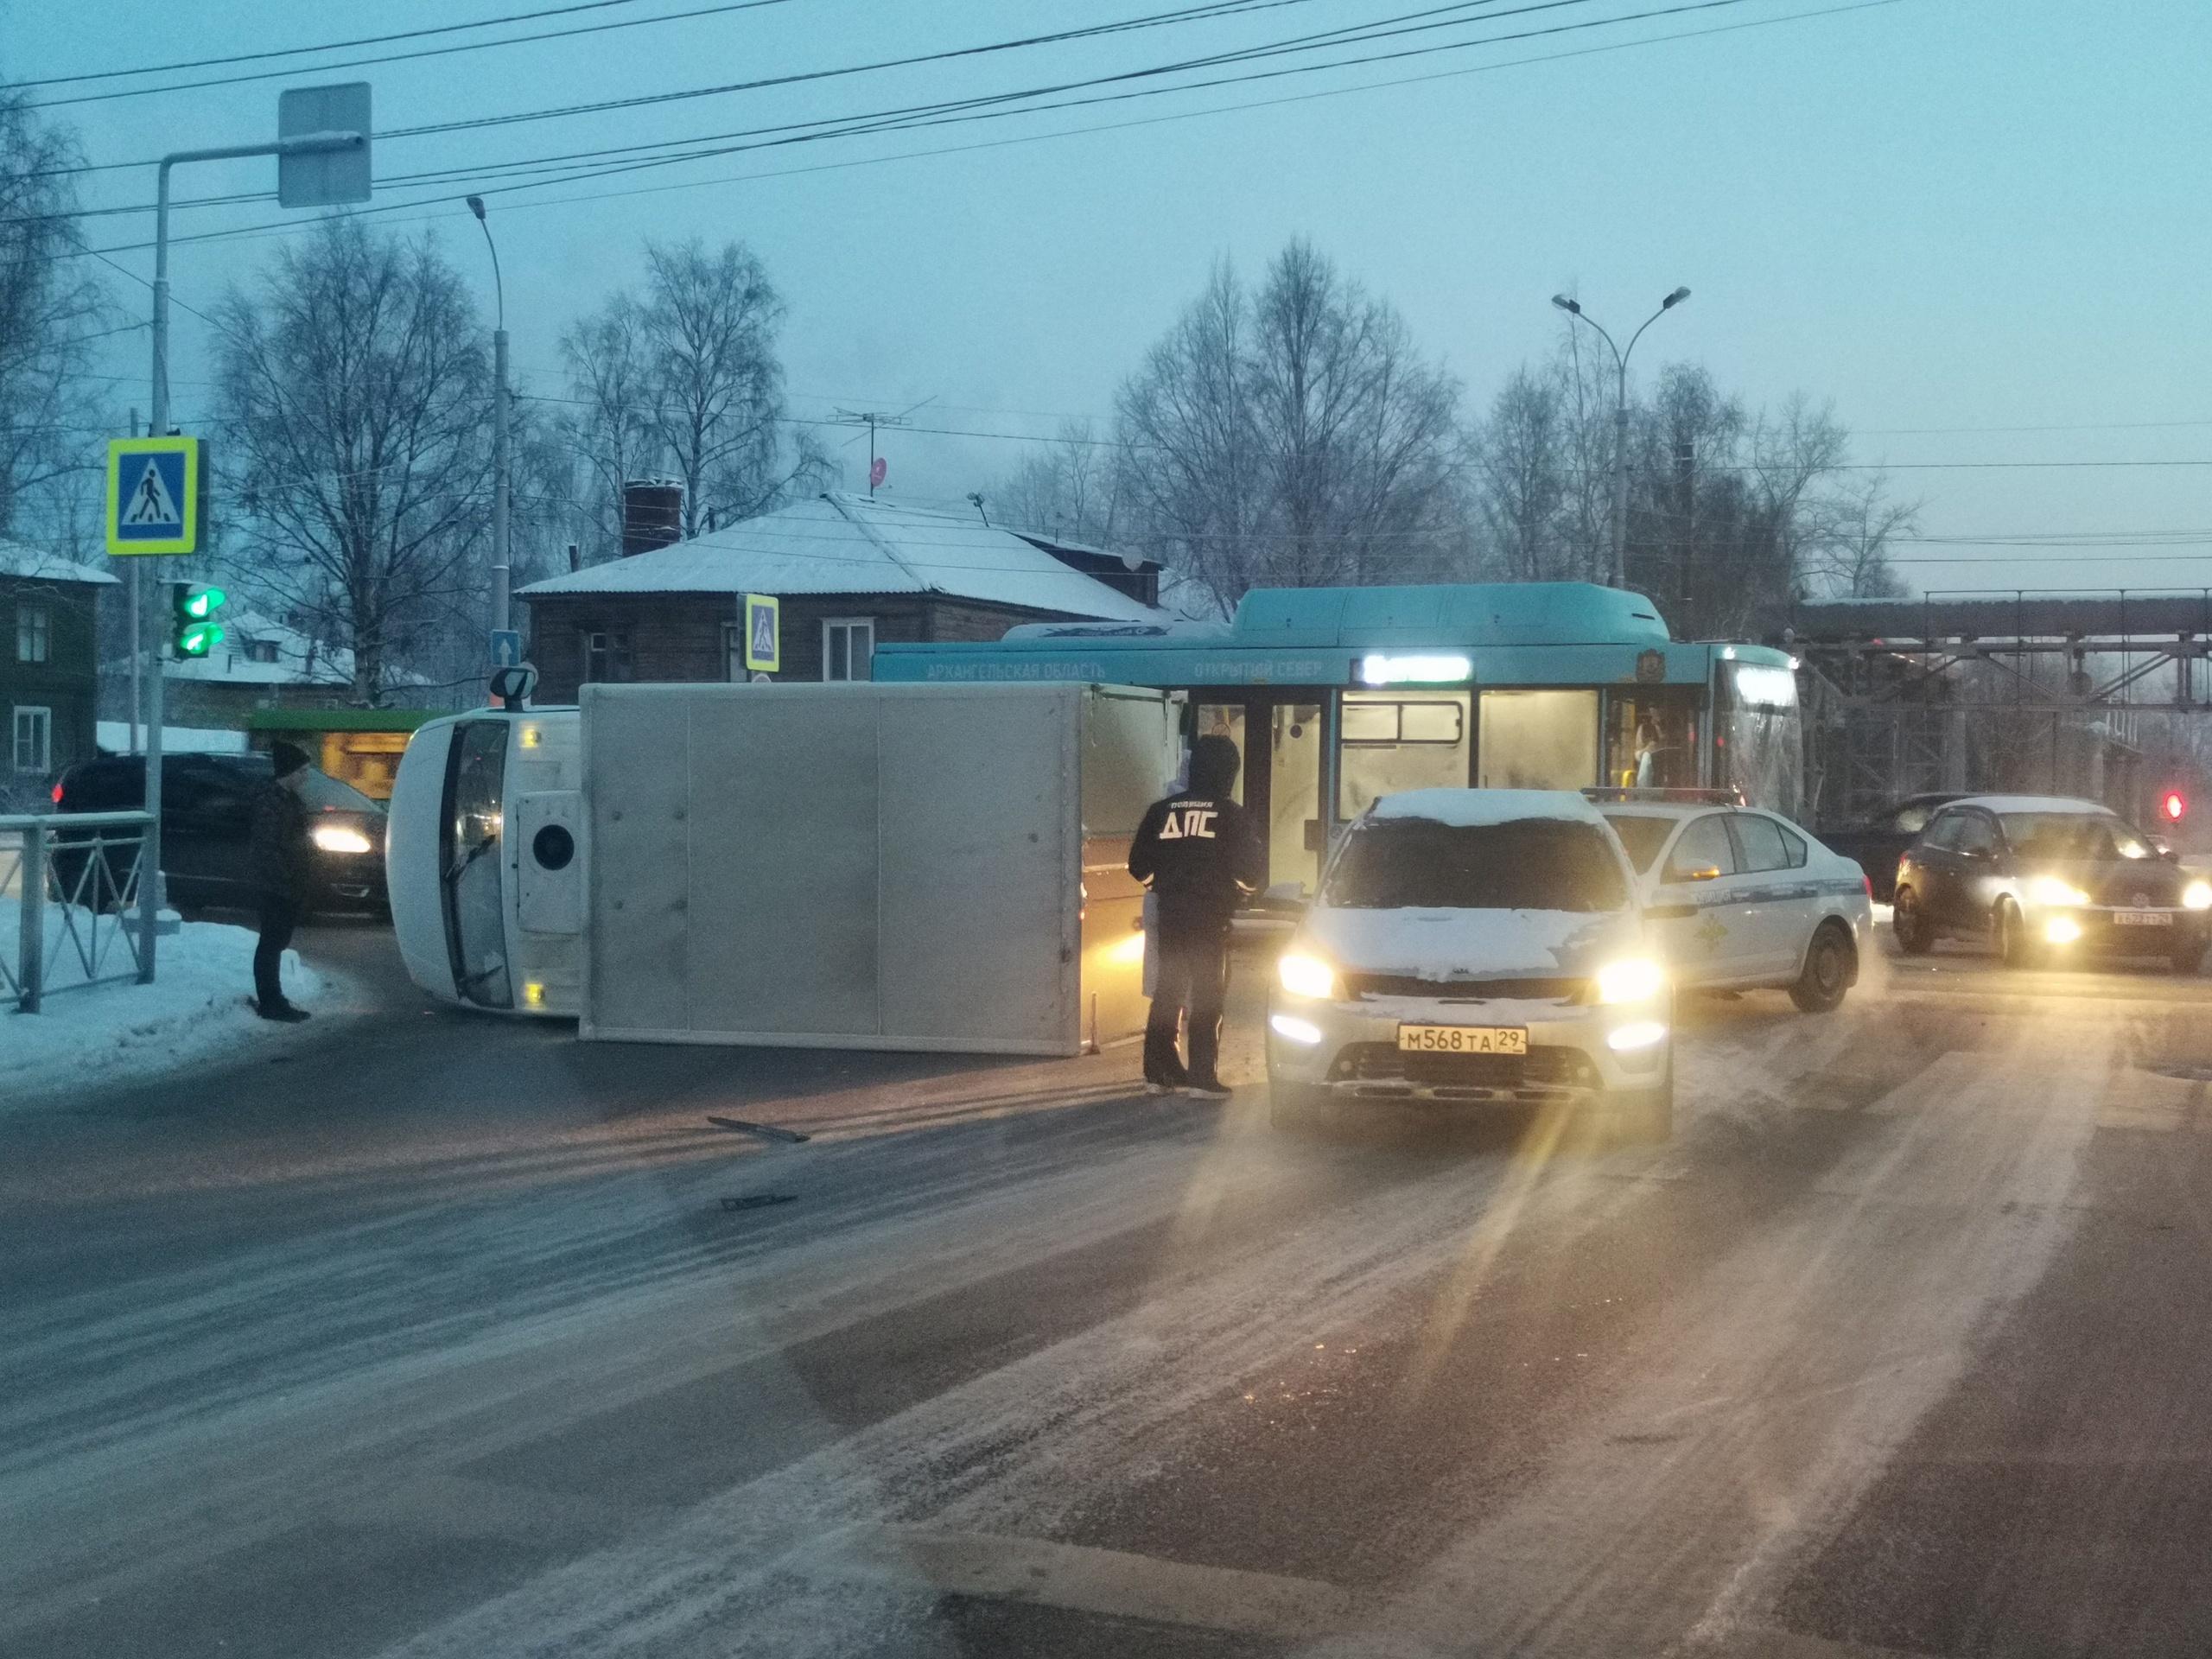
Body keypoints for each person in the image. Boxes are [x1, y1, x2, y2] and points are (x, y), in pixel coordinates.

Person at [1128, 734, 1264, 1098]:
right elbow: (1251, 875)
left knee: (1167, 991)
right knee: (1208, 993)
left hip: (1170, 914)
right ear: (1229, 773)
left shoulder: (1162, 810)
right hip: (1210, 917)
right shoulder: (1232, 815)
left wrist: (1164, 880)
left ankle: (1159, 1072)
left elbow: (1138, 867)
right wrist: (1232, 885)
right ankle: (1203, 1076)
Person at [247, 742, 315, 1022]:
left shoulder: (290, 801)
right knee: (271, 943)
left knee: (276, 942)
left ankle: (274, 999)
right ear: (288, 771)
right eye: (302, 770)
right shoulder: (270, 802)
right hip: (275, 886)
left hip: (288, 884)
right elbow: (267, 847)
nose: (305, 776)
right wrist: (284, 881)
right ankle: (270, 1001)